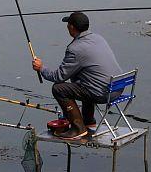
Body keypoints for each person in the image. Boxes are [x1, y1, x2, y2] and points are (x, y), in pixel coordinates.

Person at [32, 12, 122, 141]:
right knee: (84, 80)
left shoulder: (75, 49)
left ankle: (78, 129)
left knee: (59, 88)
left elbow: (59, 77)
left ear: (72, 27)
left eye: (68, 24)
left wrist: (41, 68)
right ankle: (89, 120)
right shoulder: (98, 38)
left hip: (103, 93)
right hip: (117, 88)